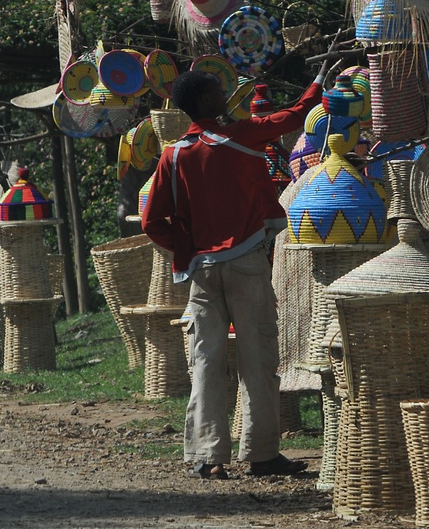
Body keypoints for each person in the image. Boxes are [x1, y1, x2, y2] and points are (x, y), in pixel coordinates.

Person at [141, 49, 338, 479]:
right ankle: (262, 454)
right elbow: (296, 116)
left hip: (202, 271)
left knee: (207, 361)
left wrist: (187, 248)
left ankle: (208, 457)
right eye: (218, 91)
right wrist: (319, 80)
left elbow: (152, 220)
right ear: (207, 103)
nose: (225, 94)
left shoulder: (173, 156)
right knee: (258, 358)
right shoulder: (242, 135)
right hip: (247, 263)